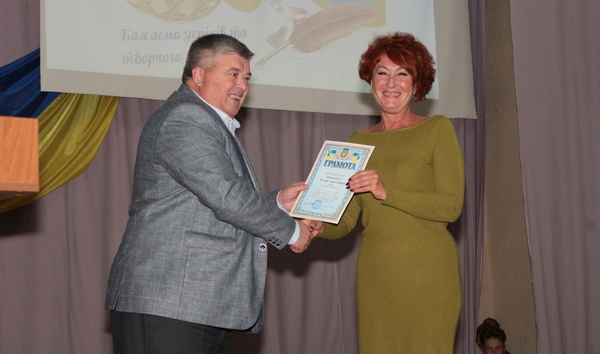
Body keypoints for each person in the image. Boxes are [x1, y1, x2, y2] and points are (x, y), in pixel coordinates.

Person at [105, 33, 313, 354]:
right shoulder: (186, 117)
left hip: (197, 304)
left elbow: (212, 200)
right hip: (169, 301)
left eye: (246, 77)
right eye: (233, 74)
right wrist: (292, 231)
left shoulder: (205, 121)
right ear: (199, 75)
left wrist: (276, 202)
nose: (242, 85)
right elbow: (227, 199)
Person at [308, 32, 465, 353]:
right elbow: (347, 219)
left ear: (417, 84)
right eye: (382, 72)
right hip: (376, 276)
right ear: (371, 81)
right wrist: (318, 226)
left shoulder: (437, 128)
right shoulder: (357, 142)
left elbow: (451, 206)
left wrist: (386, 192)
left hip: (428, 276)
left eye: (402, 73)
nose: (391, 83)